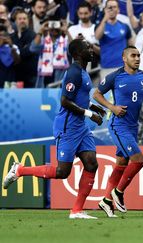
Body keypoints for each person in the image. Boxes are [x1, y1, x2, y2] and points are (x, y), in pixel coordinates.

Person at [3, 38, 104, 219]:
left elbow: (78, 97)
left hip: (80, 127)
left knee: (91, 163)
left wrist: (93, 106)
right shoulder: (74, 72)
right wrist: (90, 114)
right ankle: (20, 170)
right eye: (87, 48)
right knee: (62, 172)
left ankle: (76, 211)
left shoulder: (83, 72)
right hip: (67, 127)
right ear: (78, 53)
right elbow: (65, 101)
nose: (91, 50)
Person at [93, 46, 143, 218]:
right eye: (133, 55)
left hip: (133, 126)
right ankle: (118, 192)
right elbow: (96, 94)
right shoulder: (115, 76)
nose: (137, 58)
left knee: (121, 163)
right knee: (139, 160)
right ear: (124, 58)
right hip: (118, 125)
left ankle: (106, 200)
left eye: (138, 55)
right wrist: (112, 107)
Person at [95, 0, 133, 81]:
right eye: (109, 7)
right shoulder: (100, 25)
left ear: (118, 10)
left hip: (122, 67)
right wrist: (104, 19)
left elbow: (131, 46)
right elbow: (97, 36)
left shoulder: (125, 26)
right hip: (106, 67)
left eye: (114, 7)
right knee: (107, 93)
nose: (112, 9)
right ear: (105, 9)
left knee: (123, 92)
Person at [30, 18, 71, 88]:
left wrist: (67, 31)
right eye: (52, 25)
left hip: (60, 77)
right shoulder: (43, 41)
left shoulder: (65, 41)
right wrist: (41, 30)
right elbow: (33, 48)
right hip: (44, 78)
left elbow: (74, 50)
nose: (54, 28)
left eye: (57, 25)